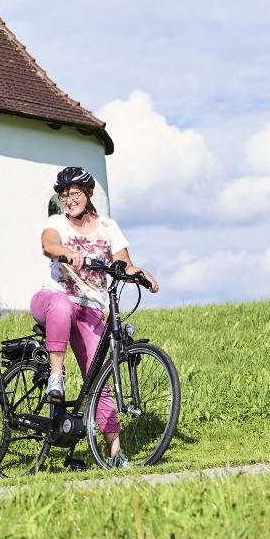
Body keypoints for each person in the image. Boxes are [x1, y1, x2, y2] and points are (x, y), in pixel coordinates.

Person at [31, 166, 159, 468]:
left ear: (88, 194)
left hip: (90, 309)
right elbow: (48, 244)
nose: (68, 199)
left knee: (101, 375)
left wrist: (142, 274)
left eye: (73, 193)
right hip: (51, 299)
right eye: (63, 195)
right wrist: (65, 250)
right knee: (62, 304)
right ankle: (56, 376)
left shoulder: (108, 227)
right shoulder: (57, 222)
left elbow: (124, 264)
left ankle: (115, 453)